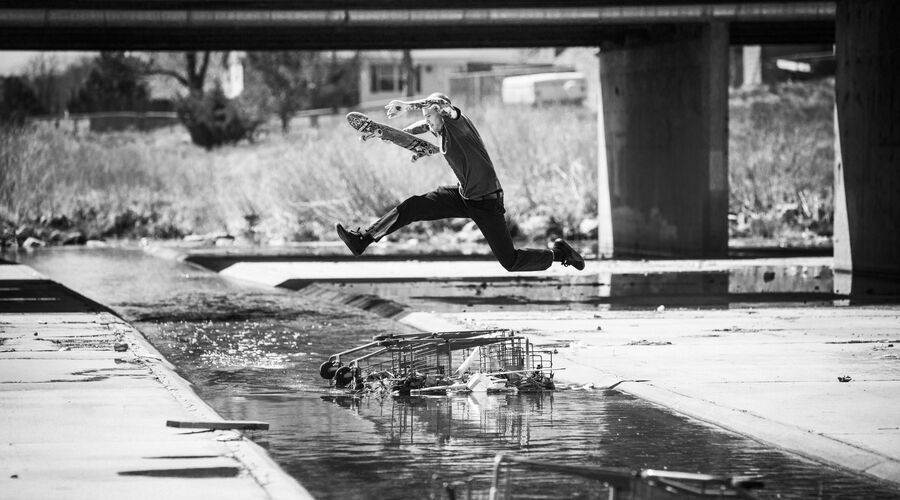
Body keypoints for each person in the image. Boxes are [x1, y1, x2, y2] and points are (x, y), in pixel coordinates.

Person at [335, 92, 584, 272]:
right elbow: (417, 128)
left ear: (442, 113)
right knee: (413, 207)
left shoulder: (458, 123)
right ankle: (363, 239)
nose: (429, 122)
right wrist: (384, 134)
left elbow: (439, 105)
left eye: (431, 116)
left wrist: (407, 105)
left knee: (510, 261)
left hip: (487, 202)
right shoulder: (438, 128)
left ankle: (560, 254)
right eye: (427, 118)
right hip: (463, 196)